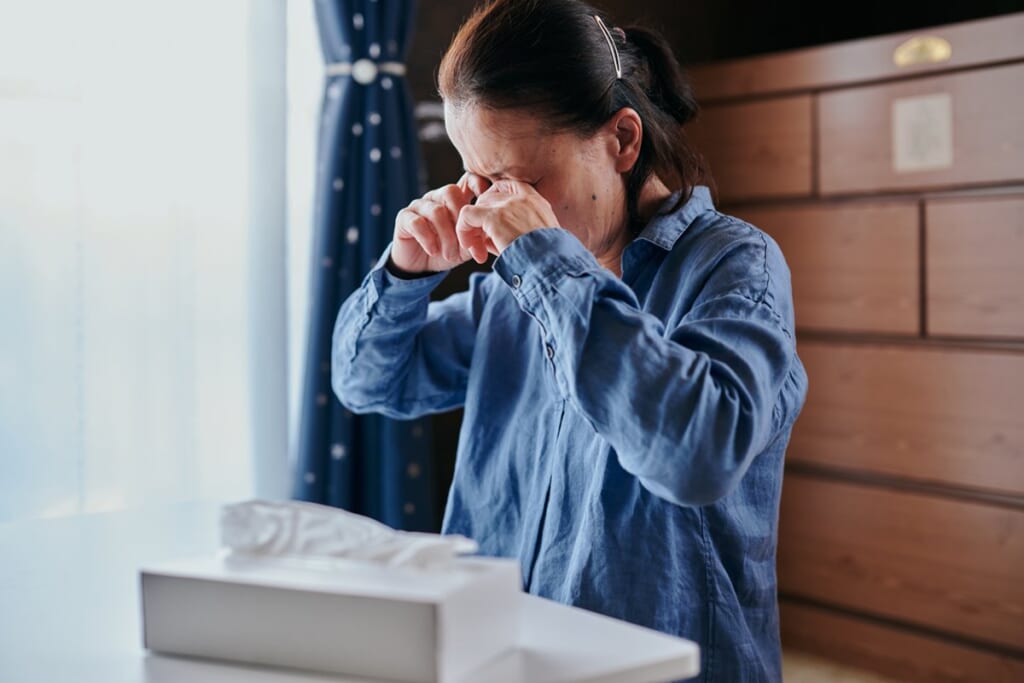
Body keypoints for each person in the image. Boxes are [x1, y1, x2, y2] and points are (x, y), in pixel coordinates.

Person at [332, 0, 808, 680]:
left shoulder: (735, 265)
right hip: (507, 657)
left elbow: (698, 453)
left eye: (522, 182)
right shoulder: (511, 292)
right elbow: (367, 380)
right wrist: (405, 269)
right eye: (479, 179)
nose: (495, 207)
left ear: (622, 140)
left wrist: (548, 264)